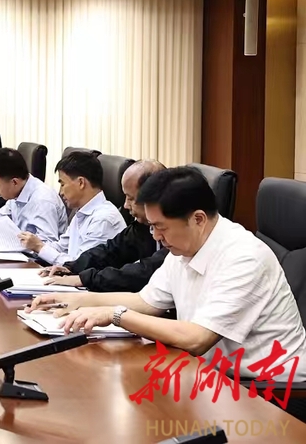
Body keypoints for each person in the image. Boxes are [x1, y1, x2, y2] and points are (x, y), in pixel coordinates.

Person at [29, 167, 306, 384]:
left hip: (268, 390)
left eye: (161, 227)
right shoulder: (185, 247)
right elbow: (146, 302)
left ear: (198, 219)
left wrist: (115, 314)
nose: (156, 237)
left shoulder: (243, 257)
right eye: (152, 227)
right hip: (213, 374)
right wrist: (75, 300)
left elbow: (197, 338)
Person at [38, 160, 168, 291]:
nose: (125, 205)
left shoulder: (174, 232)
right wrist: (72, 267)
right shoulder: (141, 226)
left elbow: (145, 271)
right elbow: (110, 251)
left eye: (131, 198)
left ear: (153, 198)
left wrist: (85, 279)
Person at [19, 151, 127, 265]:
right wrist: (33, 246)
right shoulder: (82, 212)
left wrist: (40, 247)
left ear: (81, 182)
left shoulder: (103, 219)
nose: (61, 192)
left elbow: (81, 265)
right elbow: (61, 247)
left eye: (62, 184)